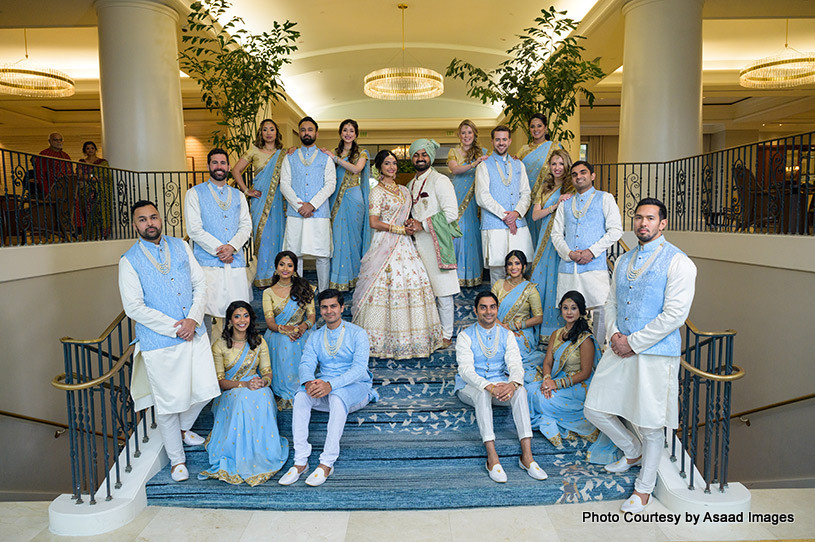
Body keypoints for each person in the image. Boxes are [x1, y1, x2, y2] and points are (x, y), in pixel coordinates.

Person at [584, 198, 697, 513]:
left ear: (662, 224)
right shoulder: (623, 260)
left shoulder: (679, 262)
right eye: (638, 218)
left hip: (654, 355)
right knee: (595, 408)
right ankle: (630, 450)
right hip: (620, 346)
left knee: (650, 425)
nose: (642, 223)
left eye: (650, 218)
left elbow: (674, 315)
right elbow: (612, 301)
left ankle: (644, 490)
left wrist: (634, 342)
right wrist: (615, 335)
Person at [118, 200, 221, 482]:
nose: (149, 223)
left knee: (205, 389)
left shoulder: (180, 246)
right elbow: (134, 307)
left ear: (161, 219)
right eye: (142, 219)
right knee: (167, 403)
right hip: (159, 342)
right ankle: (177, 461)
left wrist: (193, 319)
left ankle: (183, 429)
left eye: (153, 217)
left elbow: (200, 284)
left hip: (194, 331)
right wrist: (176, 328)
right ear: (135, 224)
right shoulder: (129, 261)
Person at [278, 289, 378, 487]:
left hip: (355, 388)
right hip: (324, 387)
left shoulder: (358, 334)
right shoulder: (315, 336)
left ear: (342, 308)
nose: (329, 311)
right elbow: (306, 364)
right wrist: (308, 382)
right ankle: (300, 461)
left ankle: (327, 462)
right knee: (300, 396)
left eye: (333, 306)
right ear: (320, 310)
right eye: (324, 307)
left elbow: (359, 369)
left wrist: (330, 385)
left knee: (337, 396)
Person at [351, 150, 443, 359]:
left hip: (406, 245)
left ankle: (415, 340)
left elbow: (409, 215)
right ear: (379, 168)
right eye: (386, 163)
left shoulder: (404, 189)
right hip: (385, 243)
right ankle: (380, 342)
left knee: (412, 282)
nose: (391, 167)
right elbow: (374, 222)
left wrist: (409, 225)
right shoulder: (377, 191)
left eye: (394, 163)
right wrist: (400, 230)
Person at [455, 291, 548, 483]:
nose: (488, 312)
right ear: (475, 310)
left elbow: (515, 364)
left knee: (521, 390)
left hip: (500, 383)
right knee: (482, 394)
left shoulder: (507, 335)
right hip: (471, 387)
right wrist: (489, 386)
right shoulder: (465, 336)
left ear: (497, 309)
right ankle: (492, 458)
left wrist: (513, 384)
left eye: (492, 307)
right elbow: (465, 371)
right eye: (483, 307)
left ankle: (527, 457)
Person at [198, 301, 289, 485]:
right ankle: (240, 455)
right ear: (230, 320)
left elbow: (267, 371)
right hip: (231, 391)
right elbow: (220, 382)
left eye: (246, 315)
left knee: (264, 396)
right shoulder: (220, 345)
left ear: (251, 318)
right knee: (242, 399)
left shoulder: (259, 341)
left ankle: (262, 453)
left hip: (256, 386)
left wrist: (263, 382)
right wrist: (244, 384)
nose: (242, 320)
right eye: (237, 316)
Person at [525, 290, 618, 464]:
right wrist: (546, 379)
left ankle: (552, 416)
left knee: (541, 398)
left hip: (577, 386)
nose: (569, 312)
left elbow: (585, 373)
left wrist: (556, 384)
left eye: (573, 308)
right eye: (565, 308)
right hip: (554, 380)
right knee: (529, 390)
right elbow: (548, 362)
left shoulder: (585, 339)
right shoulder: (556, 334)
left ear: (581, 311)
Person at [551, 160, 622, 348]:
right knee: (568, 312)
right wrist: (568, 253)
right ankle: (571, 355)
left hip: (594, 267)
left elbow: (615, 230)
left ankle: (599, 356)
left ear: (592, 175)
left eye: (583, 172)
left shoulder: (605, 198)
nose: (578, 177)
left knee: (599, 311)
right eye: (574, 174)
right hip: (568, 267)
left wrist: (592, 252)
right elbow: (556, 234)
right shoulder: (565, 203)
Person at [184, 148, 253, 337]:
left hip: (235, 262)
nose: (219, 167)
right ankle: (206, 359)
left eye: (223, 163)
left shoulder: (238, 195)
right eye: (215, 162)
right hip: (207, 264)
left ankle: (231, 357)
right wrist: (220, 250)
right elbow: (194, 229)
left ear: (229, 167)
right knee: (204, 311)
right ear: (208, 166)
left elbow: (246, 226)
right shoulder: (194, 193)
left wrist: (232, 247)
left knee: (236, 314)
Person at [405, 139, 460, 348]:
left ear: (431, 157)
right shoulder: (411, 184)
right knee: (423, 293)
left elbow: (451, 213)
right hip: (416, 245)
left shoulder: (441, 180)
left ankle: (446, 335)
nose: (420, 158)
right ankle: (428, 332)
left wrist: (422, 225)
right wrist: (410, 224)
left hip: (437, 243)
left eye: (424, 154)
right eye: (416, 155)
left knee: (443, 291)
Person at [279, 116, 337, 292]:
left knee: (322, 254)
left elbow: (330, 184)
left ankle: (323, 291)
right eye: (303, 130)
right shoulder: (289, 157)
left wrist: (311, 205)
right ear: (299, 133)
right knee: (295, 254)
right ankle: (299, 291)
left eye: (310, 130)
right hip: (295, 213)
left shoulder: (325, 158)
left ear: (316, 133)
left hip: (318, 213)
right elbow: (284, 184)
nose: (306, 133)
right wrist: (299, 206)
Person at [231, 119, 287, 287]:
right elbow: (235, 170)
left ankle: (279, 275)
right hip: (259, 200)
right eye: (265, 130)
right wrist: (246, 190)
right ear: (260, 133)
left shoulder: (283, 154)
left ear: (276, 132)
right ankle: (263, 276)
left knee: (278, 236)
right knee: (263, 238)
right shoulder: (253, 151)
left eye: (271, 129)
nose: (268, 132)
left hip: (278, 200)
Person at [475, 125, 533, 285]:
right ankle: (498, 308)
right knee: (498, 270)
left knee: (520, 268)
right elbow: (482, 196)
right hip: (494, 225)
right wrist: (506, 216)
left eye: (504, 139)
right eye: (498, 139)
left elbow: (526, 193)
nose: (501, 143)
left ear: (510, 141)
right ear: (493, 141)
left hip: (518, 223)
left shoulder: (519, 164)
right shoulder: (483, 166)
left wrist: (516, 213)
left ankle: (518, 308)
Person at [528, 149, 575, 337]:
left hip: (561, 238)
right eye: (554, 163)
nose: (557, 167)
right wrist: (555, 206)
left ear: (567, 165)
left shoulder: (571, 187)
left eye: (561, 163)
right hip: (543, 238)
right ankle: (538, 330)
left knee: (556, 281)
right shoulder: (545, 187)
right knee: (539, 279)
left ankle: (555, 331)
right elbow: (535, 215)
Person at [321, 119, 372, 291]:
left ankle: (355, 277)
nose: (348, 133)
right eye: (345, 130)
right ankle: (339, 279)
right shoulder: (333, 153)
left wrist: (334, 158)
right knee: (337, 238)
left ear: (356, 134)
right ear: (340, 133)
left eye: (351, 131)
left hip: (355, 198)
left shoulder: (362, 154)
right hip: (336, 199)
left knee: (354, 239)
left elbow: (356, 170)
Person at [262, 251, 316, 408]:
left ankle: (302, 389)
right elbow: (270, 323)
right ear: (276, 267)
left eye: (290, 265)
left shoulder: (305, 288)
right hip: (278, 332)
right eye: (282, 264)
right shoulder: (268, 292)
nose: (285, 268)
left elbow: (312, 316)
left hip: (302, 330)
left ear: (295, 269)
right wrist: (287, 330)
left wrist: (302, 327)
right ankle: (286, 392)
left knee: (301, 342)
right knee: (285, 342)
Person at [447, 120, 488, 287]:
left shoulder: (484, 152)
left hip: (476, 197)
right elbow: (455, 169)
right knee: (458, 231)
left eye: (469, 132)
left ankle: (472, 276)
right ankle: (455, 277)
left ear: (474, 134)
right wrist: (474, 163)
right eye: (463, 133)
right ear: (459, 135)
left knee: (472, 231)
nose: (466, 136)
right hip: (457, 194)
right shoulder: (454, 152)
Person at [492, 250, 544, 383]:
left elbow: (539, 318)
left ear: (524, 267)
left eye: (517, 263)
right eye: (510, 264)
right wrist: (504, 327)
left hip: (521, 332)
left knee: (515, 344)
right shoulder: (498, 285)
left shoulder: (530, 289)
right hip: (497, 327)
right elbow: (490, 309)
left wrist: (515, 326)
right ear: (506, 267)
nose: (513, 267)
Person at [517, 114, 562, 247]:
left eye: (539, 126)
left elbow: (562, 170)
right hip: (526, 200)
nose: (536, 129)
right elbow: (516, 171)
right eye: (532, 126)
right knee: (528, 240)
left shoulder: (554, 147)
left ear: (546, 128)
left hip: (546, 197)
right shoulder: (523, 150)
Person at [75, 141, 111, 236]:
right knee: (87, 213)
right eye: (87, 148)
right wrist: (92, 178)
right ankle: (89, 234)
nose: (90, 150)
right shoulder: (82, 162)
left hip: (101, 191)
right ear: (84, 151)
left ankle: (102, 233)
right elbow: (79, 175)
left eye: (92, 148)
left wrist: (89, 177)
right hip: (85, 191)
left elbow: (106, 176)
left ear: (95, 149)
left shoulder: (102, 162)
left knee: (100, 211)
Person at [32, 132, 72, 196]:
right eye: (55, 140)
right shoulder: (44, 154)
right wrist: (47, 192)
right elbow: (41, 174)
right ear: (49, 141)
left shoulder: (65, 155)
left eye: (60, 140)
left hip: (67, 188)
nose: (58, 142)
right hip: (53, 188)